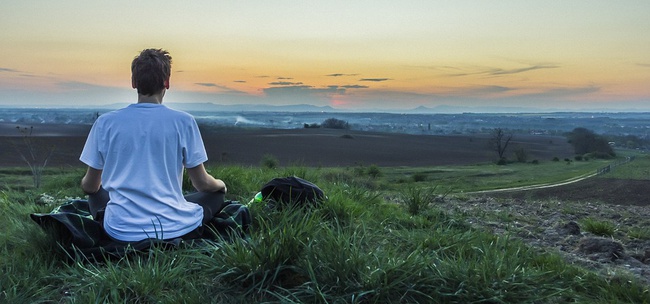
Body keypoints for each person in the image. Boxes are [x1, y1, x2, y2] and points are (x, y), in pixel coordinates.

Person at [79, 48, 227, 242]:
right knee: (215, 196)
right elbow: (201, 184)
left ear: (134, 83)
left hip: (120, 230)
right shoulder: (184, 122)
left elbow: (89, 187)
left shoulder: (105, 123)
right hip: (174, 227)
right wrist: (221, 185)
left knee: (96, 193)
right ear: (167, 82)